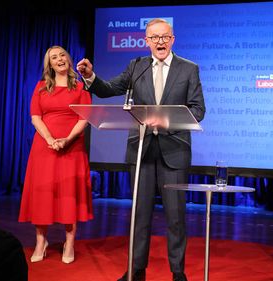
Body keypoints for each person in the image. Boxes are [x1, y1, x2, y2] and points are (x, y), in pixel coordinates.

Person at [77, 18, 205, 281]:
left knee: (176, 218)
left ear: (173, 39)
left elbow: (198, 110)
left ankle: (178, 272)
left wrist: (166, 120)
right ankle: (136, 270)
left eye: (165, 37)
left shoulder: (189, 69)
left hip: (174, 152)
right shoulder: (137, 67)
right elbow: (109, 89)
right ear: (146, 41)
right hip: (141, 151)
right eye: (154, 37)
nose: (160, 42)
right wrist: (90, 76)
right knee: (140, 215)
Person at [18, 45, 93, 264]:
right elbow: (35, 117)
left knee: (70, 194)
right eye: (53, 58)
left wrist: (67, 139)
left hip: (72, 146)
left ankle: (69, 243)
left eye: (62, 55)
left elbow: (84, 119)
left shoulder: (81, 87)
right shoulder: (41, 87)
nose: (59, 59)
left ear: (68, 60)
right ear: (49, 65)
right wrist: (50, 139)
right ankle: (41, 241)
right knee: (43, 194)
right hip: (44, 147)